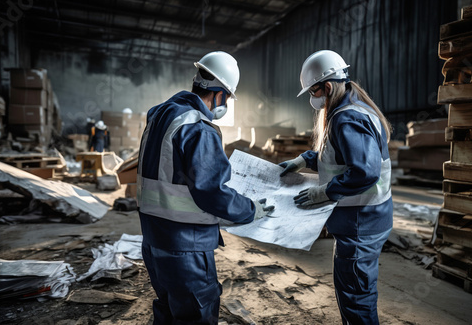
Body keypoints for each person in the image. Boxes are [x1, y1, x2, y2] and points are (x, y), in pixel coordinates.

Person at [137, 51, 273, 324]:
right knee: (195, 316)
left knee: (167, 311)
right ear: (221, 94)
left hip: (153, 240)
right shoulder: (199, 128)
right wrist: (250, 209)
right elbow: (211, 191)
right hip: (186, 246)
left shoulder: (161, 115)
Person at [279, 50, 393, 324]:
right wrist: (303, 160)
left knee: (356, 301)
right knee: (356, 294)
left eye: (313, 91)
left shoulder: (347, 118)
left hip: (360, 225)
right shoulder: (349, 109)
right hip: (363, 222)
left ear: (327, 87)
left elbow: (364, 172)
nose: (312, 98)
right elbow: (337, 158)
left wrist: (325, 192)